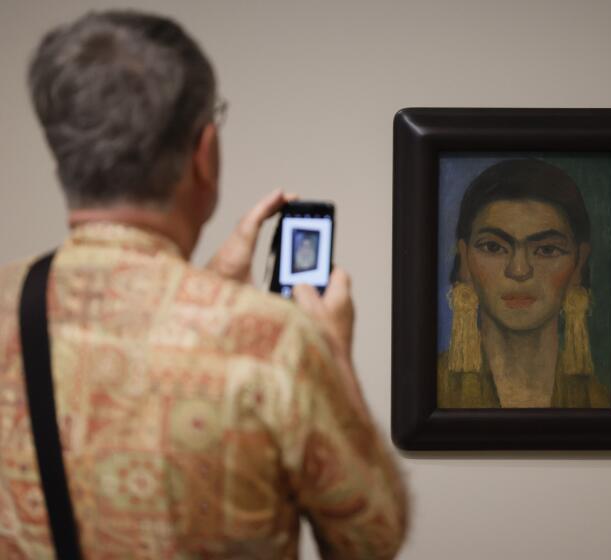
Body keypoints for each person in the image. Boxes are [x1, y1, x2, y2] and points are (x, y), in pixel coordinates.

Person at [0, 10, 407, 559]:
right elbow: (371, 539)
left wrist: (210, 283)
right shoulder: (271, 342)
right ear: (205, 152)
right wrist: (332, 354)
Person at [438, 159, 611, 408]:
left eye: (547, 249)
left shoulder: (600, 402)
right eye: (494, 247)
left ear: (579, 264)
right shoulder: (433, 392)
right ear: (464, 260)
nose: (519, 270)